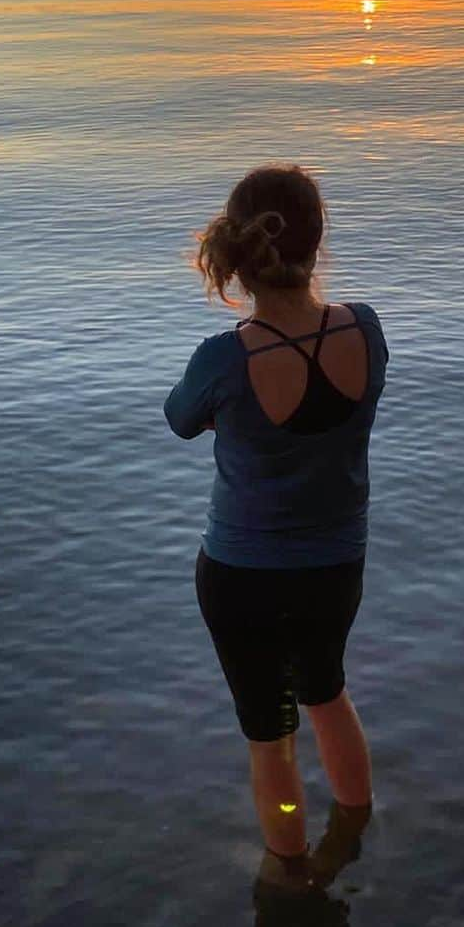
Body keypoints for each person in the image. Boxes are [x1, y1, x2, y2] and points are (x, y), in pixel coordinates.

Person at [164, 163, 388, 871]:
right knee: (327, 693)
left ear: (239, 251)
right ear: (317, 245)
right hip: (335, 566)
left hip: (242, 576)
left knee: (269, 734)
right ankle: (354, 831)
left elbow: (179, 420)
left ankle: (289, 878)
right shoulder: (367, 331)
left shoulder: (223, 359)